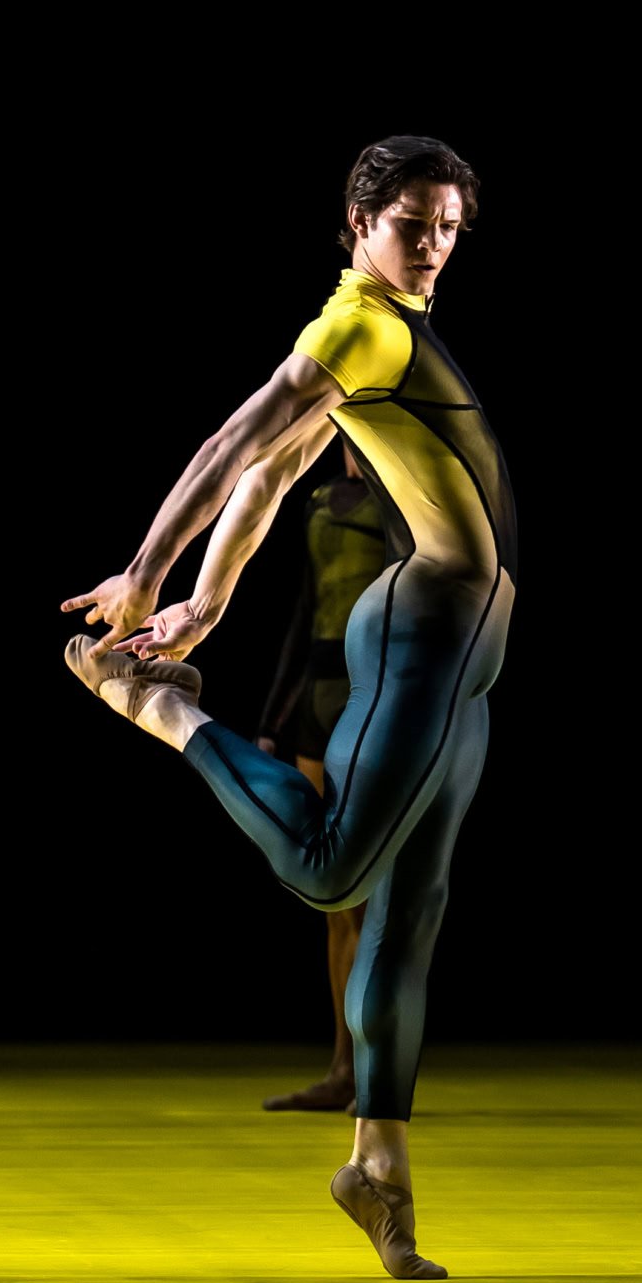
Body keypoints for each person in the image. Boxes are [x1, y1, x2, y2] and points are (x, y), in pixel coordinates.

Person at [61, 135, 517, 1281]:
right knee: (328, 872)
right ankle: (158, 712)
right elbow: (236, 441)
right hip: (422, 626)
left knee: (411, 910)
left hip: (469, 650)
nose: (434, 245)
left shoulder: (385, 331)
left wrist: (209, 601)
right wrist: (146, 577)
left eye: (449, 227)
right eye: (413, 224)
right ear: (359, 222)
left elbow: (273, 474)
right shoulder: (360, 322)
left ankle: (378, 1170)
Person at [256, 443, 385, 1117]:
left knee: (376, 897)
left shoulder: (402, 508)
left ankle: (374, 1073)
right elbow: (305, 611)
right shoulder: (315, 501)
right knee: (334, 899)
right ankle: (342, 1070)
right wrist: (271, 721)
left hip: (372, 697)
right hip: (317, 698)